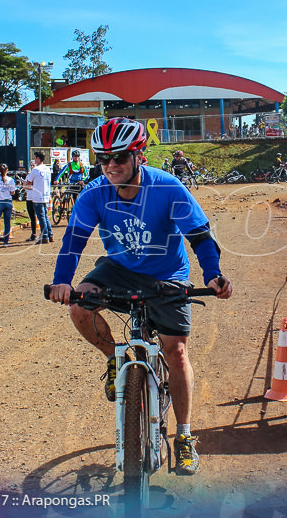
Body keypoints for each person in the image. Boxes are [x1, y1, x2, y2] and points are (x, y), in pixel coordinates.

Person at [47, 118, 232, 476]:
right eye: (103, 159)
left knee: (175, 352)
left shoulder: (168, 188)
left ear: (139, 155)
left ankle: (184, 436)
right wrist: (62, 282)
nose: (110, 166)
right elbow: (73, 242)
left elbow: (200, 236)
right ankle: (114, 358)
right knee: (79, 307)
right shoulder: (93, 193)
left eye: (119, 157)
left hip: (166, 275)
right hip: (118, 268)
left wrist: (212, 275)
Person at [24, 151, 53, 244]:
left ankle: (44, 236)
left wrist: (33, 183)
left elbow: (28, 181)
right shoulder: (47, 169)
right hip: (46, 195)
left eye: (35, 158)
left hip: (37, 196)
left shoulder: (35, 170)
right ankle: (50, 234)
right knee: (45, 216)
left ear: (38, 158)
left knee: (41, 217)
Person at [0, 163, 17, 245]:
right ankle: (6, 241)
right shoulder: (11, 180)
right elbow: (13, 192)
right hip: (8, 201)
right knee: (7, 222)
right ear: (7, 170)